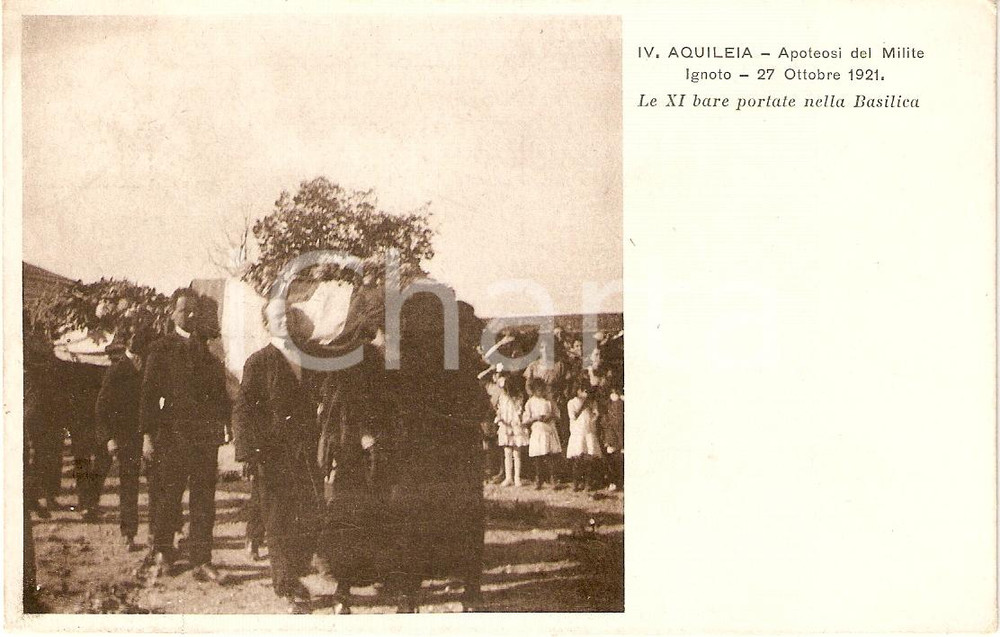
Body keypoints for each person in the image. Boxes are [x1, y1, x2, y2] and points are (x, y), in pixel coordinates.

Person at [233, 301, 334, 613]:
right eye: (277, 317)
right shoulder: (259, 362)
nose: (284, 321)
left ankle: (295, 572)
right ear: (267, 324)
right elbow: (243, 409)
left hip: (307, 451)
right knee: (278, 520)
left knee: (308, 514)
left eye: (287, 315)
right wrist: (247, 453)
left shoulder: (311, 357)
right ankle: (288, 585)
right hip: (273, 454)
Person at [140, 288, 231, 582]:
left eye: (194, 310)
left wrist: (225, 423)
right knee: (169, 496)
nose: (190, 315)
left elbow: (220, 391)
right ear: (172, 313)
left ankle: (201, 560)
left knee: (204, 500)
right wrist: (147, 435)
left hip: (204, 437)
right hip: (173, 435)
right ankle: (165, 553)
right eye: (184, 310)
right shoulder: (161, 348)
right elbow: (148, 396)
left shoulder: (209, 349)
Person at [95, 329, 153, 550]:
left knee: (156, 483)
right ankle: (128, 532)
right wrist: (109, 438)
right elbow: (101, 408)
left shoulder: (150, 367)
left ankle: (157, 533)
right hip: (126, 436)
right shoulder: (116, 371)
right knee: (129, 485)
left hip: (149, 434)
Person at [487, 372, 528, 487]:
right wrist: (500, 418)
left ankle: (517, 478)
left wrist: (514, 422)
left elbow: (519, 411)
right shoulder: (502, 397)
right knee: (507, 453)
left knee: (517, 453)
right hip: (505, 425)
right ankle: (508, 477)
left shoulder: (519, 397)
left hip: (516, 426)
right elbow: (499, 409)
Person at [523, 378, 562, 489]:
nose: (540, 391)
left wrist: (550, 416)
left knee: (551, 455)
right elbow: (525, 420)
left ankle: (553, 479)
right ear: (534, 390)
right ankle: (539, 479)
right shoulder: (530, 402)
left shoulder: (549, 401)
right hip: (538, 429)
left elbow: (558, 414)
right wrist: (536, 418)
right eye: (538, 389)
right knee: (538, 456)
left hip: (549, 428)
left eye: (542, 389)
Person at [565, 379, 603, 491]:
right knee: (577, 458)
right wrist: (583, 406)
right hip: (578, 433)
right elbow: (573, 416)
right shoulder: (571, 403)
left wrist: (592, 417)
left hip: (588, 432)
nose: (585, 393)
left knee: (589, 458)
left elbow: (596, 414)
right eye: (582, 390)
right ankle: (576, 483)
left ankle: (588, 483)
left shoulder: (592, 402)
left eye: (586, 390)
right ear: (576, 391)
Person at [603, 389, 625, 492]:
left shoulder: (620, 403)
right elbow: (606, 422)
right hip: (613, 435)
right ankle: (614, 482)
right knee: (613, 459)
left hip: (620, 435)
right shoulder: (609, 403)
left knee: (618, 458)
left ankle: (618, 482)